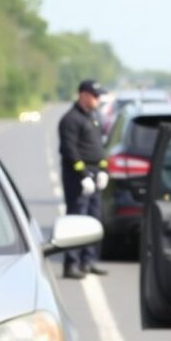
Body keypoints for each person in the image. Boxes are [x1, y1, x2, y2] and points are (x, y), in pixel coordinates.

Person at [58, 79, 110, 279]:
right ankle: (71, 263)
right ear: (83, 95)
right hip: (78, 177)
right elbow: (69, 150)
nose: (98, 99)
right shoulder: (70, 119)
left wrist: (103, 170)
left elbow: (99, 146)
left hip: (95, 175)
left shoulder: (93, 117)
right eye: (95, 95)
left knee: (94, 220)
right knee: (76, 220)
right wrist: (83, 175)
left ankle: (88, 261)